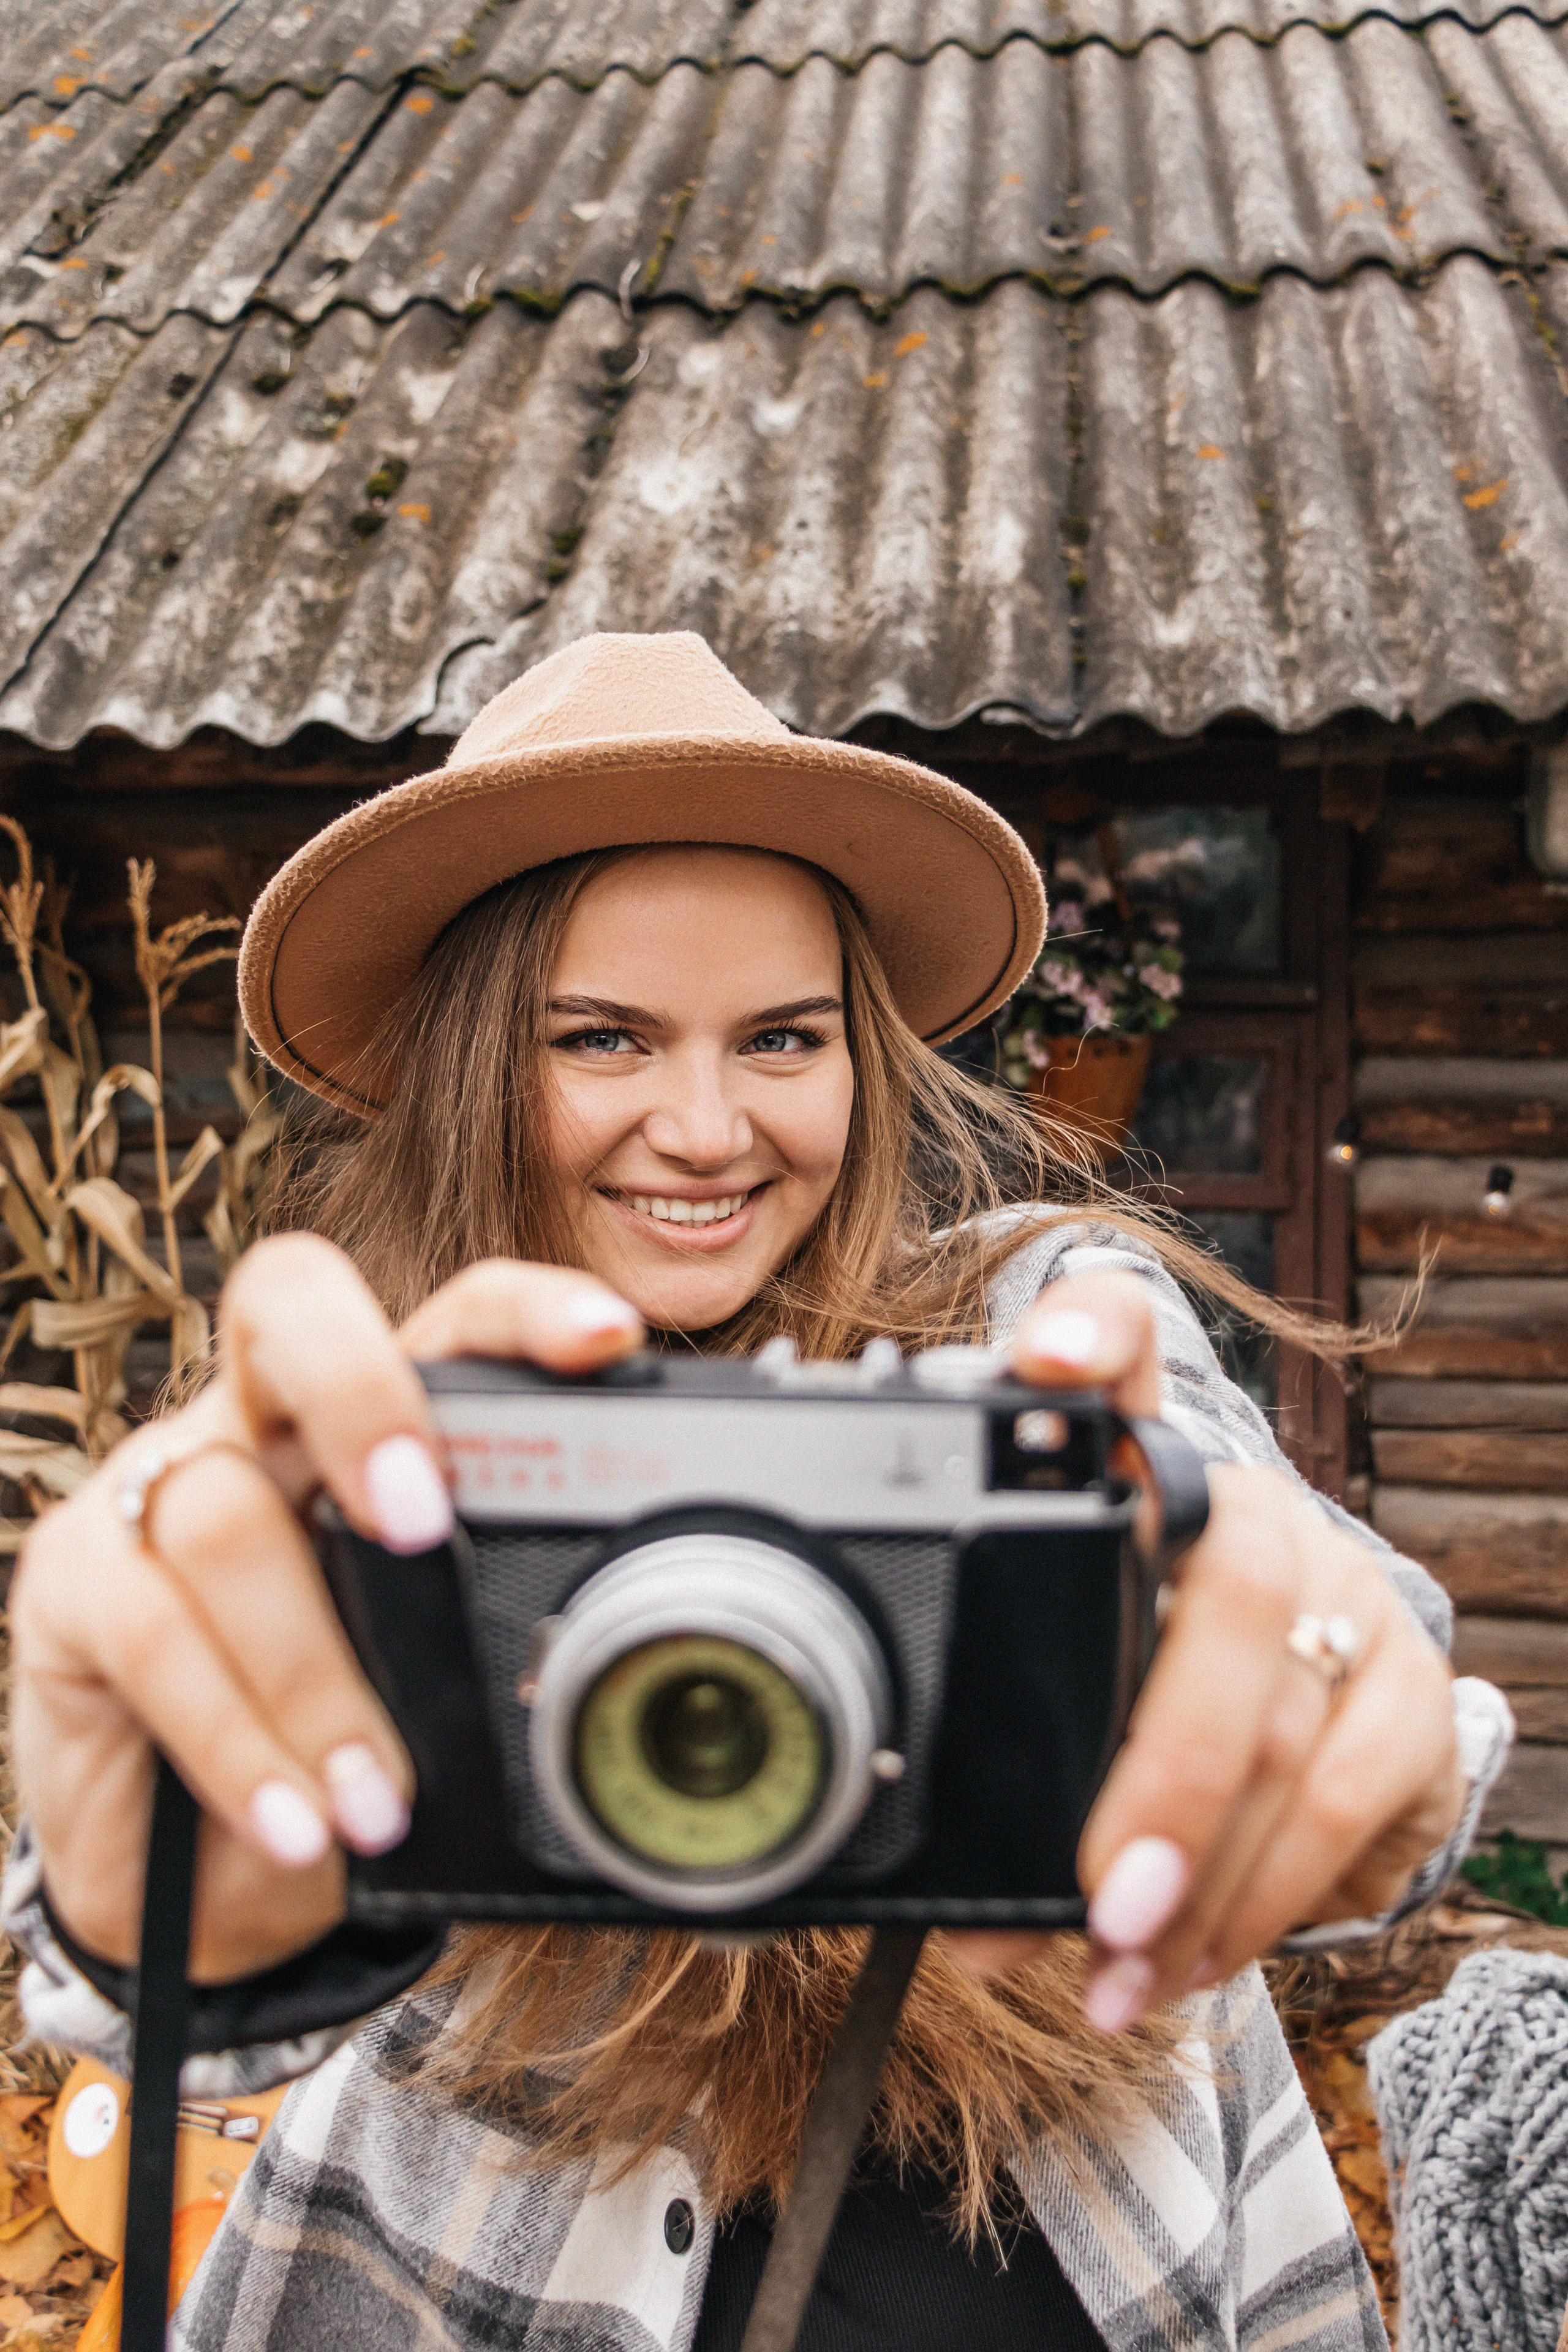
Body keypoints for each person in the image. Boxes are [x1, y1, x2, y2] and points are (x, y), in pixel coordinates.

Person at [4, 634, 1510, 2351]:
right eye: (605, 1039)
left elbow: (1292, 1568)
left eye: (784, 1037)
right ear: (478, 1065)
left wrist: (1336, 1698)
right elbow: (174, 1976)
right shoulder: (374, 1440)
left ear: (864, 1060)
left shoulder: (1029, 1333)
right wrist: (160, 1896)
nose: (709, 1128)